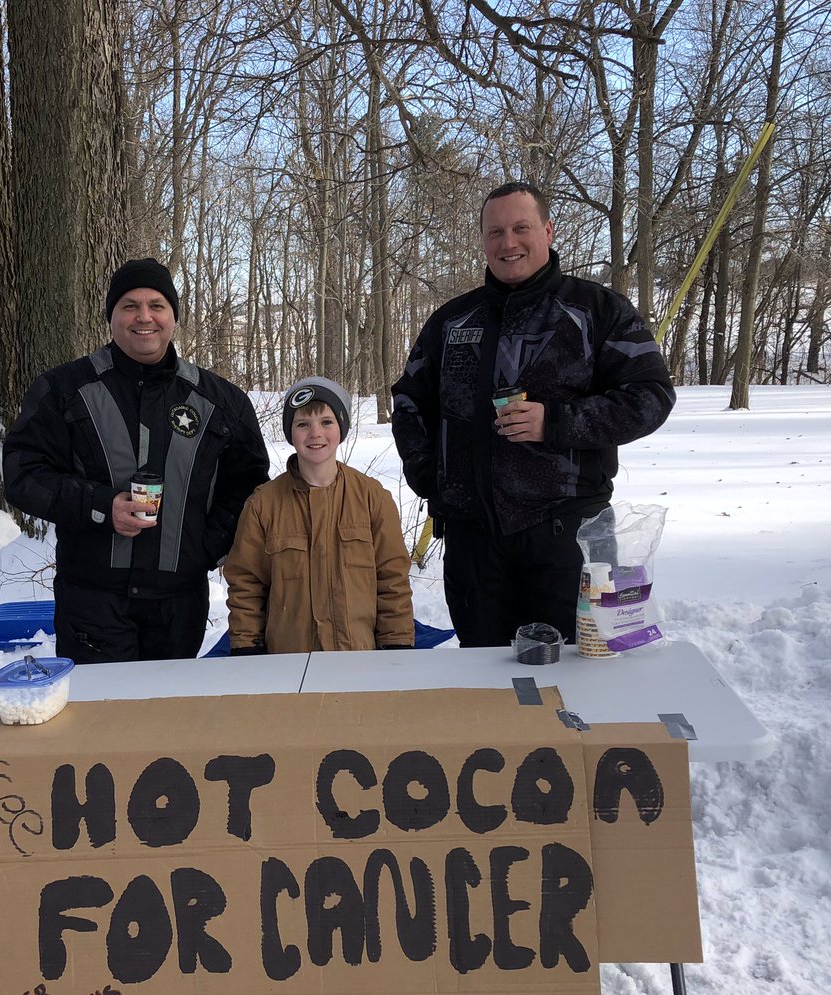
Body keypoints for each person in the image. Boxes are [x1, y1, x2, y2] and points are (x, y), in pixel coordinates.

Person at [390, 182, 676, 647]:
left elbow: (651, 397)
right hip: (474, 541)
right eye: (495, 232)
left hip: (571, 536)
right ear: (482, 241)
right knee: (484, 677)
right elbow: (408, 402)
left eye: (521, 228)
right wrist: (430, 476)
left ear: (547, 230)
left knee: (580, 674)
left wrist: (557, 423)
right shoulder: (452, 321)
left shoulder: (597, 311)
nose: (508, 243)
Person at [3, 257, 269, 663]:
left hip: (178, 607)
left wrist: (206, 545)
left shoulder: (221, 402)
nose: (144, 317)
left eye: (156, 305)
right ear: (111, 316)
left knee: (167, 721)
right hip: (93, 604)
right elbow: (24, 476)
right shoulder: (64, 390)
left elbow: (249, 485)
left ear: (173, 317)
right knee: (100, 721)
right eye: (130, 305)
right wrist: (101, 506)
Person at [224, 376, 414, 655]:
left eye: (327, 422)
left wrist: (396, 643)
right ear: (291, 432)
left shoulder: (372, 498)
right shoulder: (262, 505)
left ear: (342, 429)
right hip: (287, 662)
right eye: (303, 424)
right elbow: (246, 585)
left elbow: (393, 579)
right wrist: (246, 646)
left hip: (359, 660)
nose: (316, 433)